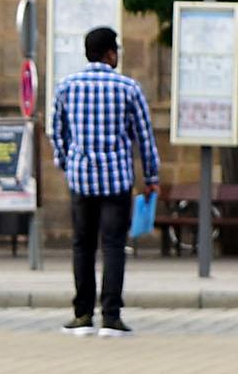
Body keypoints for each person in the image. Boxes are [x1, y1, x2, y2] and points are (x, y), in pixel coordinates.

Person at [48, 25, 159, 336]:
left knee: (82, 245)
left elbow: (56, 132)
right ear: (110, 53)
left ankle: (82, 314)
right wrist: (151, 176)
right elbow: (144, 138)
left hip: (81, 178)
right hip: (117, 179)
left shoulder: (66, 87)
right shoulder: (128, 88)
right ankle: (111, 315)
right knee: (113, 246)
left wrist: (66, 162)